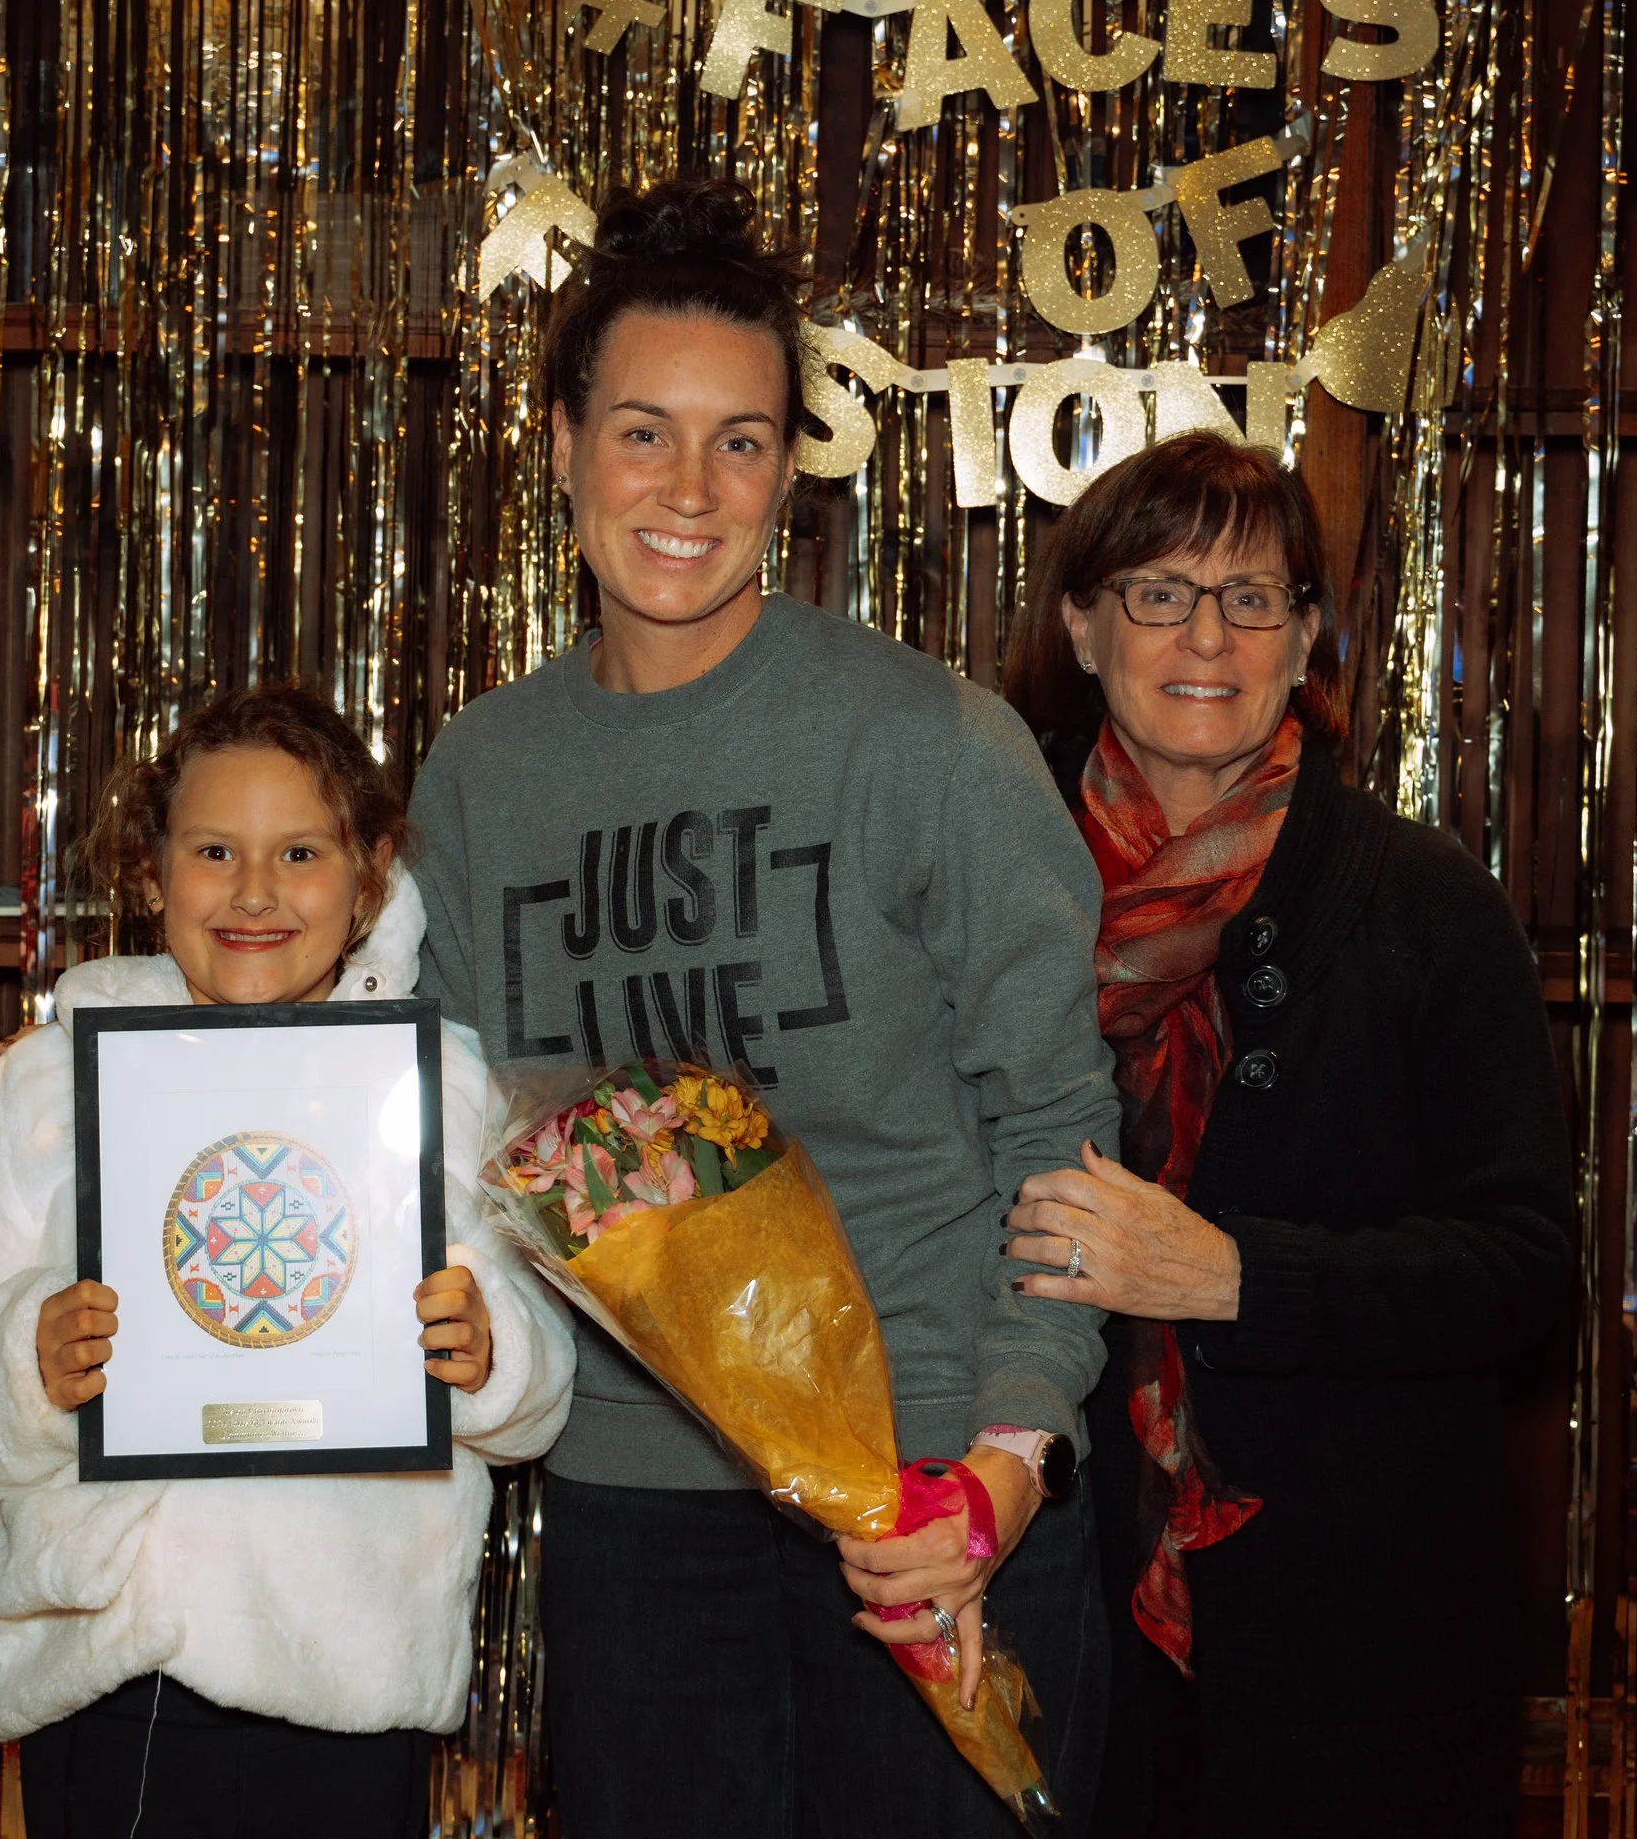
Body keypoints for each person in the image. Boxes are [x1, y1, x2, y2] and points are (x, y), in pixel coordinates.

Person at [405, 177, 1121, 1839]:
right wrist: (112, 1046)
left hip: (928, 1497)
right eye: (643, 431)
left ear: (789, 472)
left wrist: (1002, 1466)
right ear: (563, 442)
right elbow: (420, 1095)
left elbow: (1059, 1137)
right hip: (634, 1515)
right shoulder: (482, 772)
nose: (688, 489)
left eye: (741, 442)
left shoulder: (924, 742)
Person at [0, 685, 575, 1839]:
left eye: (299, 850)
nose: (253, 891)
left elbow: (538, 1383)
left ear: (369, 876)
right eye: (212, 851)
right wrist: (20, 1357)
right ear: (150, 875)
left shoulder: (439, 1094)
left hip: (349, 1672)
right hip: (108, 1668)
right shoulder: (51, 1083)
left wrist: (491, 1353)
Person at [997, 433, 1575, 1837]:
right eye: (1158, 592)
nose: (1208, 636)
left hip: (1355, 1629)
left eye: (1254, 598)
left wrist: (1234, 1280)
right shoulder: (982, 878)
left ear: (1306, 634)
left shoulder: (1423, 901)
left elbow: (1524, 1269)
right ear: (1080, 624)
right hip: (1037, 1588)